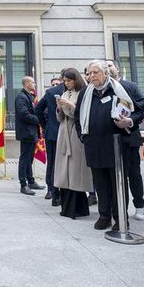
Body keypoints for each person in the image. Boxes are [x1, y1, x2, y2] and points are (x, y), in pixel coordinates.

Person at [75, 60, 144, 232]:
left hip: (117, 144)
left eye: (95, 72)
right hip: (94, 145)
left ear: (105, 73)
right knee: (100, 183)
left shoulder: (120, 90)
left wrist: (130, 121)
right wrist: (83, 137)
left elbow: (138, 112)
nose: (91, 76)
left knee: (117, 183)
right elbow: (78, 117)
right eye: (89, 73)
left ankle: (120, 218)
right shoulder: (85, 92)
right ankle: (104, 215)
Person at [107, 59, 144, 221]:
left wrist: (129, 119)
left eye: (110, 65)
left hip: (129, 137)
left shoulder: (130, 86)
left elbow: (143, 105)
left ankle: (140, 206)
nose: (108, 68)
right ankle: (117, 208)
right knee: (115, 176)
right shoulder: (102, 90)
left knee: (134, 173)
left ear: (116, 68)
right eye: (106, 66)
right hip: (109, 141)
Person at [53, 68, 92, 219]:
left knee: (76, 171)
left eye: (69, 80)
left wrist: (69, 105)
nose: (67, 83)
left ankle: (78, 207)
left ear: (76, 79)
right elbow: (60, 118)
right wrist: (59, 108)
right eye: (65, 81)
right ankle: (67, 206)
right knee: (64, 171)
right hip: (64, 133)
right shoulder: (64, 93)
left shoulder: (84, 93)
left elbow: (81, 114)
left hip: (76, 134)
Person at [36, 76, 64, 205]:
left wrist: (45, 125)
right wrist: (45, 125)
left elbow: (38, 110)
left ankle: (52, 191)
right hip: (59, 133)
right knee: (59, 163)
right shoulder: (57, 92)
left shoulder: (50, 92)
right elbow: (38, 110)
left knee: (52, 163)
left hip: (52, 132)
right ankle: (56, 190)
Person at [15, 76, 44, 196]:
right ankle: (23, 184)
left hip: (32, 133)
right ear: (26, 84)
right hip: (26, 133)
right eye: (32, 82)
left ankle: (31, 181)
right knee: (24, 159)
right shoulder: (21, 97)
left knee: (29, 159)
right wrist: (39, 120)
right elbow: (23, 114)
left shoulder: (29, 96)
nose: (35, 84)